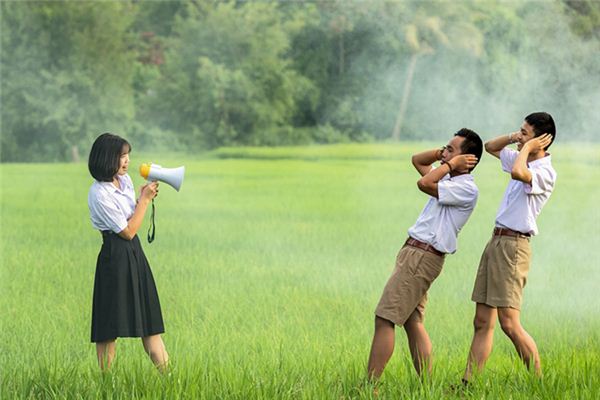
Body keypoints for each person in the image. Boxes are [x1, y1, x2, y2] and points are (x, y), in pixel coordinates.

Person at [367, 128, 483, 379]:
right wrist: (445, 155)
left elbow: (424, 182)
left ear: (467, 159)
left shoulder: (465, 189)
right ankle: (427, 386)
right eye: (445, 148)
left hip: (422, 256)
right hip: (416, 253)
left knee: (385, 318)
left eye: (451, 149)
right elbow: (417, 160)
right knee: (412, 321)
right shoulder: (449, 180)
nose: (444, 154)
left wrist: (450, 164)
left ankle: (368, 387)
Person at [462, 112, 556, 383]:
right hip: (497, 241)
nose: (519, 137)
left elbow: (518, 173)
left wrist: (527, 147)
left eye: (525, 132)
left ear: (541, 141)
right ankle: (468, 383)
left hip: (514, 246)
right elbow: (491, 147)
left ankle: (539, 383)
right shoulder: (521, 156)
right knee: (482, 321)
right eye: (520, 131)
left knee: (509, 323)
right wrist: (517, 138)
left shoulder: (544, 171)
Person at [87, 132, 169, 371]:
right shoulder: (99, 194)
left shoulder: (125, 182)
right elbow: (128, 231)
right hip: (114, 256)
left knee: (150, 322)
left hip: (135, 254)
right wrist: (143, 201)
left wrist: (142, 199)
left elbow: (132, 219)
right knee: (108, 326)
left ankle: (171, 380)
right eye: (122, 156)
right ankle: (106, 384)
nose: (127, 161)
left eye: (127, 155)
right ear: (106, 158)